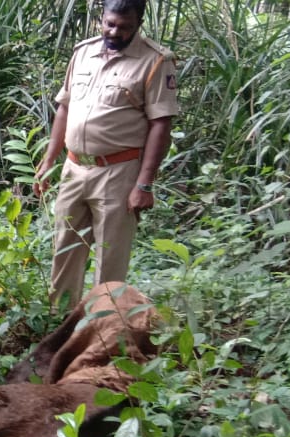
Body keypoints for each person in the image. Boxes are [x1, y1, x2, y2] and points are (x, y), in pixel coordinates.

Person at [33, 0, 178, 309]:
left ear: (138, 23)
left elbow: (160, 126)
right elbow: (65, 108)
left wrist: (144, 184)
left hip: (119, 173)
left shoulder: (154, 62)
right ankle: (60, 321)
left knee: (111, 260)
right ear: (102, 18)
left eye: (124, 27)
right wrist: (48, 160)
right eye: (110, 23)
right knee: (64, 250)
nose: (114, 31)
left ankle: (103, 329)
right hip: (73, 169)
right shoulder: (83, 52)